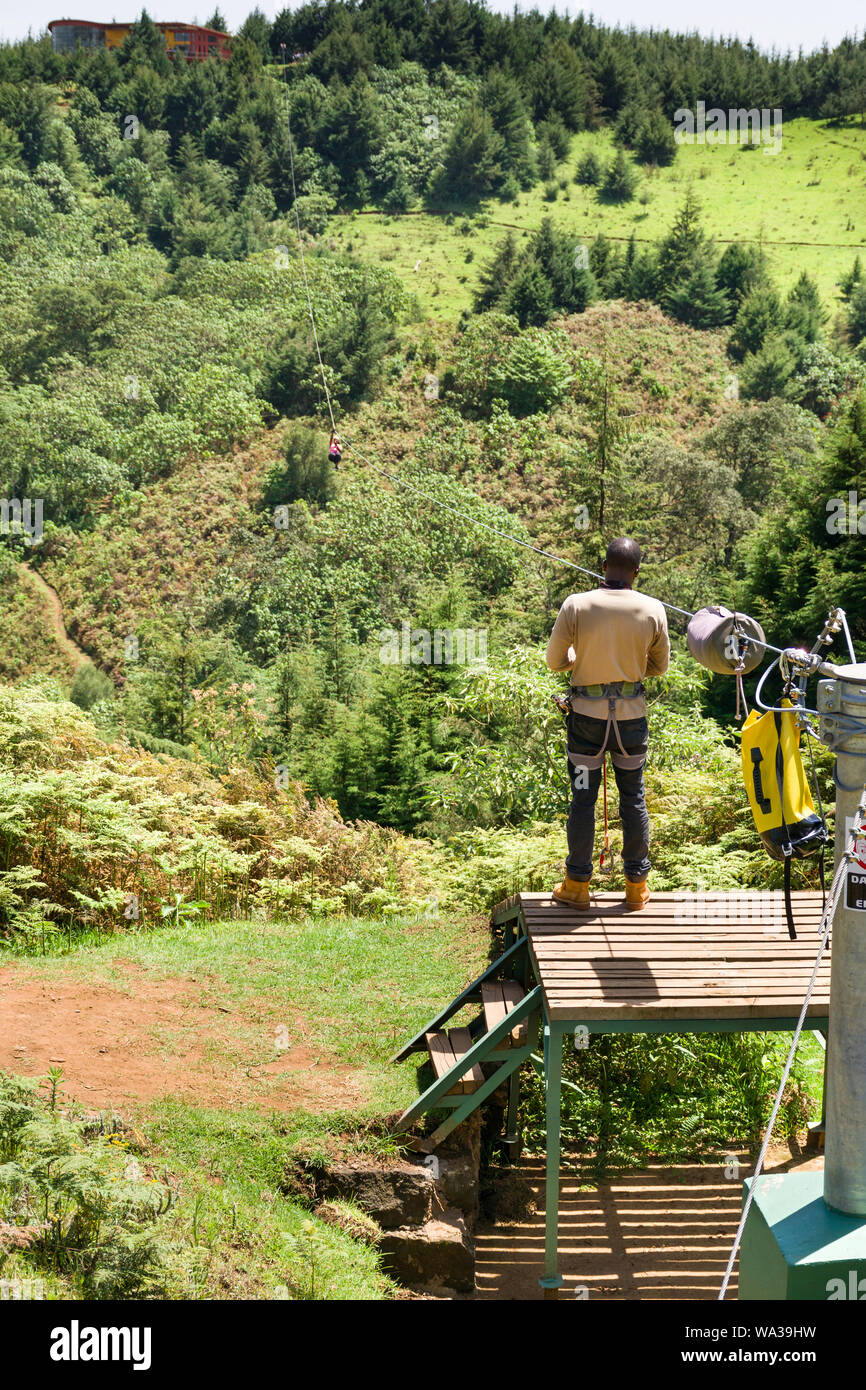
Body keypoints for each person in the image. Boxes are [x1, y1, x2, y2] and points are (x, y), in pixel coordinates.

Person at [545, 536, 670, 911]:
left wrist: (579, 662)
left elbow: (555, 660)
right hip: (631, 722)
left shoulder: (577, 605)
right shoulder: (652, 609)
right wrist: (628, 669)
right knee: (633, 797)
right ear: (636, 571)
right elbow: (659, 666)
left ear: (603, 567)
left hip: (587, 722)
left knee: (583, 798)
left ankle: (577, 885)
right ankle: (636, 887)